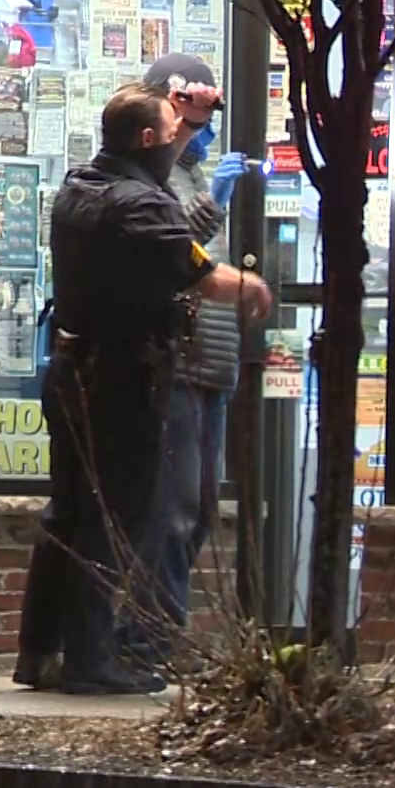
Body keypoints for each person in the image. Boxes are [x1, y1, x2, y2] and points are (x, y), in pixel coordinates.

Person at [13, 82, 273, 696]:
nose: (181, 140)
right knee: (116, 518)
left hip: (72, 367)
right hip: (122, 379)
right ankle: (91, 659)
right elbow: (201, 274)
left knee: (70, 511)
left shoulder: (79, 188)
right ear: (149, 140)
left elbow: (150, 173)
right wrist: (253, 288)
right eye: (171, 132)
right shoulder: (141, 204)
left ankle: (39, 651)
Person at [117, 54, 251, 669]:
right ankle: (147, 645)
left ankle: (148, 637)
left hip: (212, 368)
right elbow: (176, 250)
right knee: (171, 515)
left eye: (203, 119)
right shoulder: (155, 177)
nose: (196, 132)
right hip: (180, 366)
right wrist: (214, 201)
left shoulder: (192, 174)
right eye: (186, 119)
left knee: (193, 516)